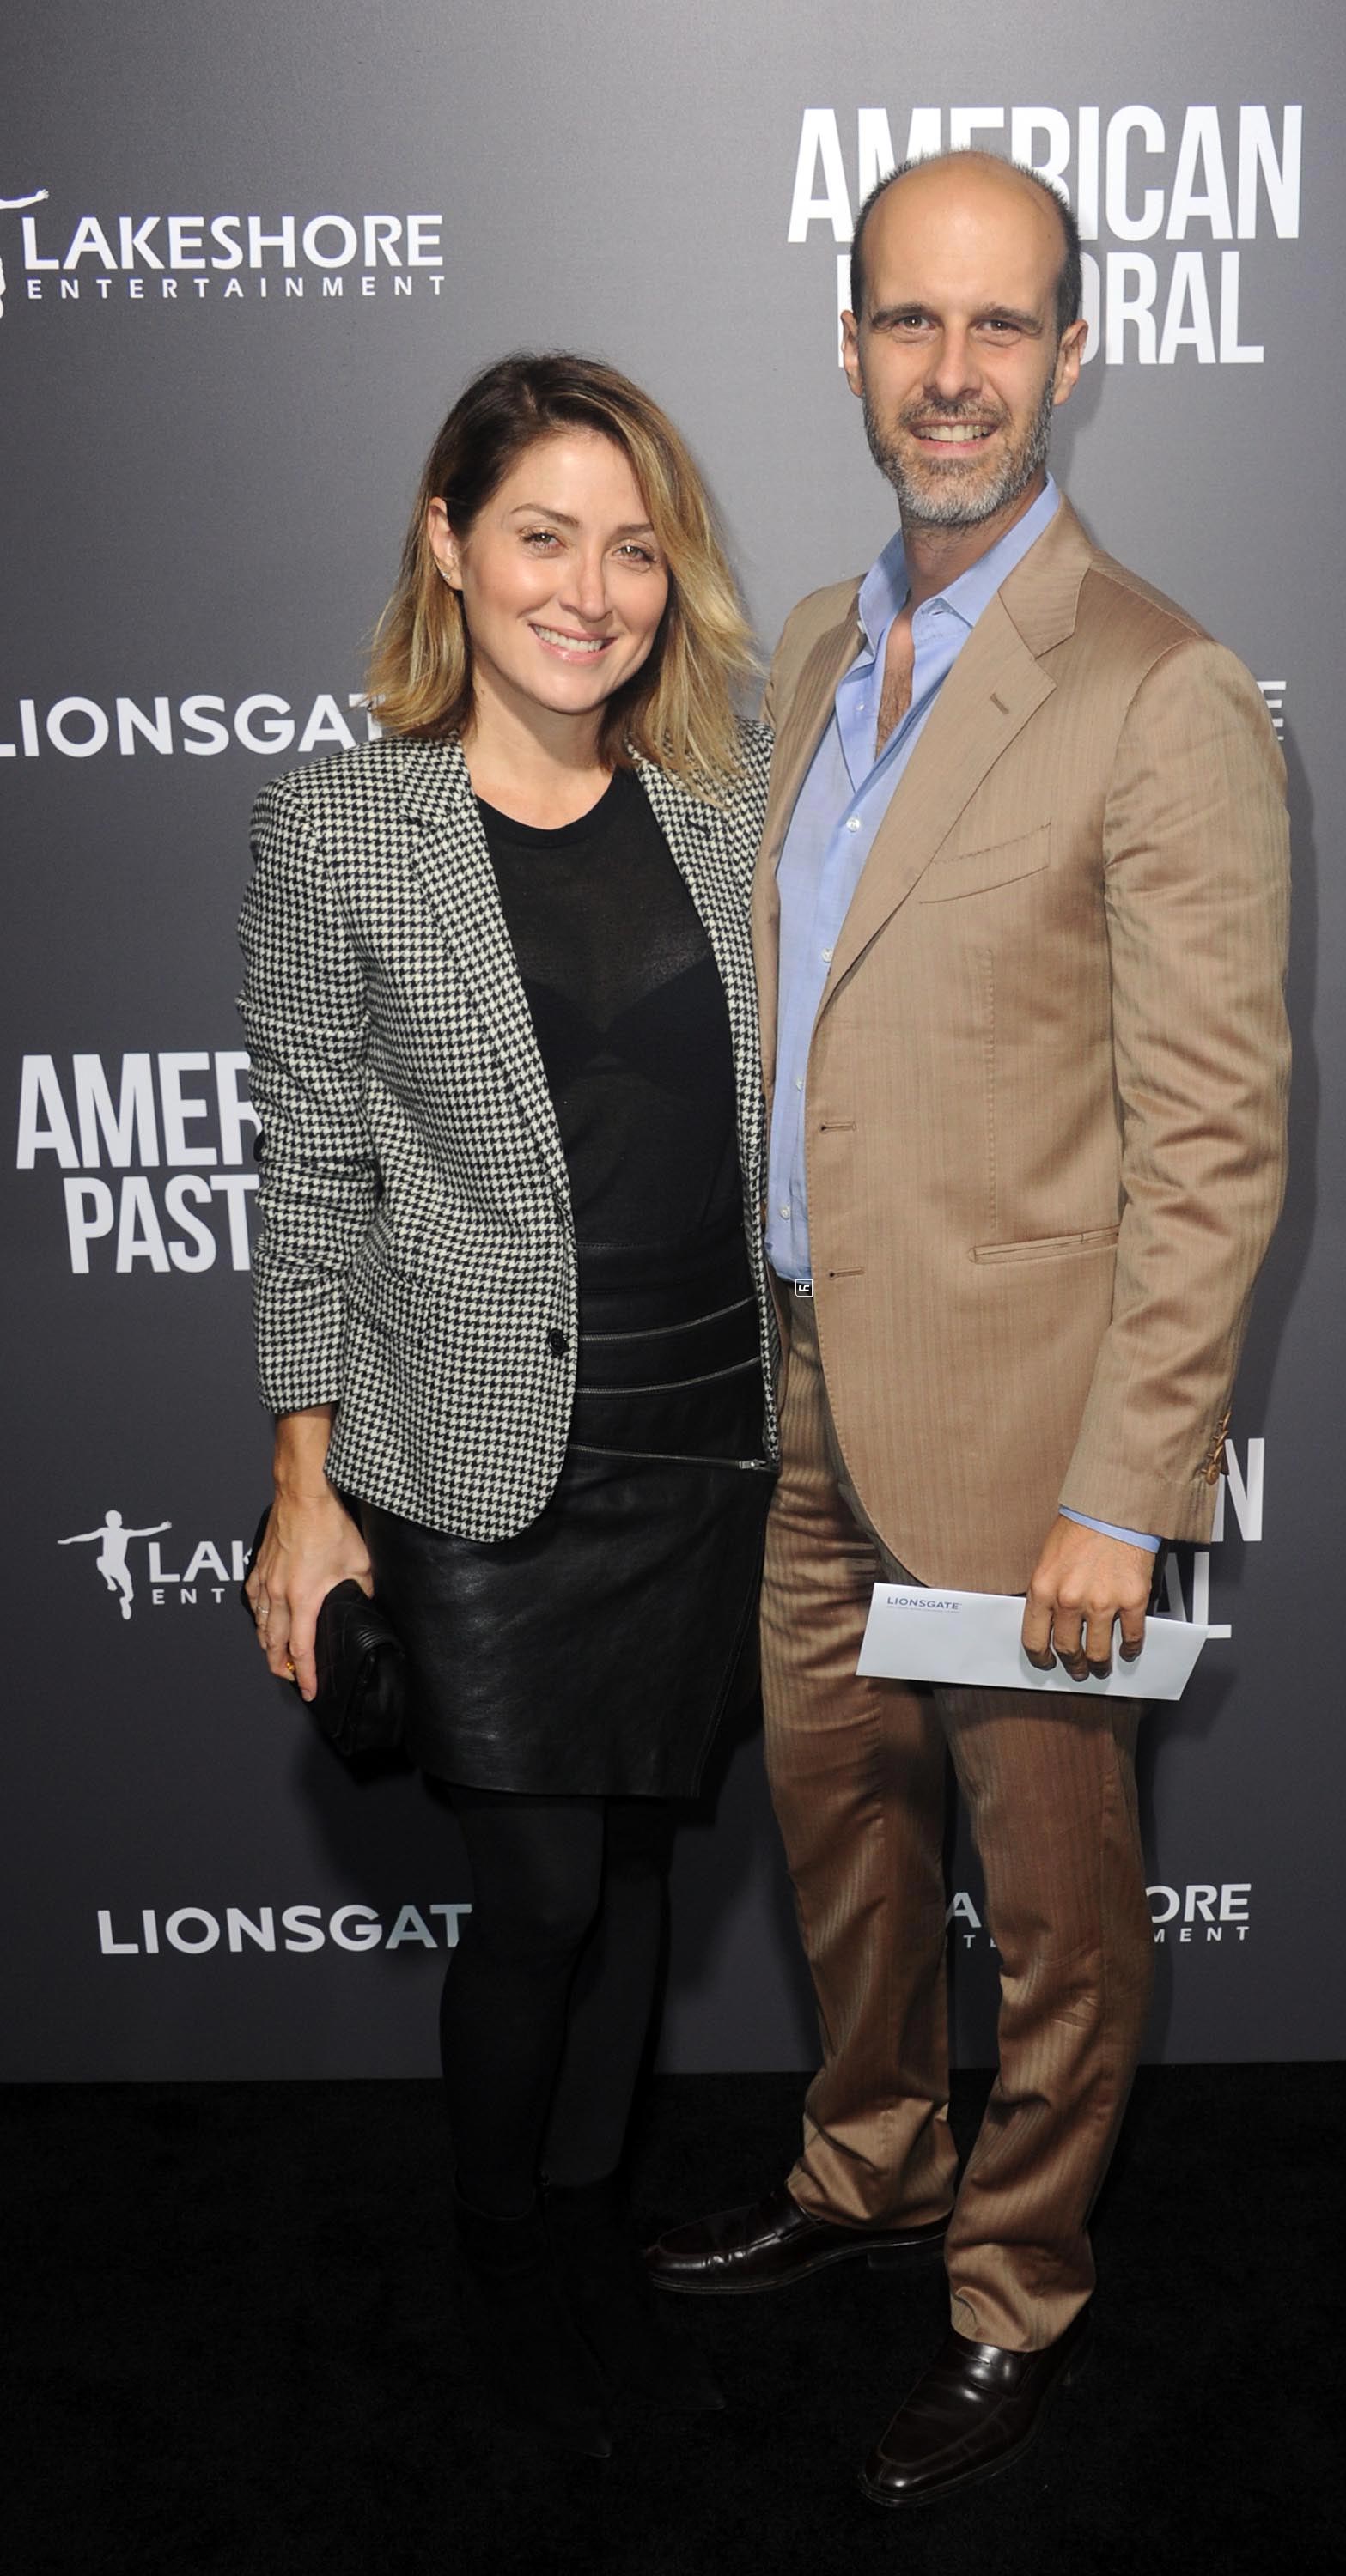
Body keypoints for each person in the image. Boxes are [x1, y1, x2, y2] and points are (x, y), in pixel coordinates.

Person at [647, 152, 1291, 2507]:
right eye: (909, 325)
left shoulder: (1159, 686)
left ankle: (1015, 2289)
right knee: (837, 1835)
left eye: (999, 328)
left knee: (1047, 1899)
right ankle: (869, 2168)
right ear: (846, 346)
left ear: (1073, 349)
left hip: (1032, 1437)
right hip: (800, 1388)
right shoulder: (815, 644)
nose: (951, 375)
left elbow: (1213, 1141)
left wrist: (1126, 1486)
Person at [239, 352, 775, 2459]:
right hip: (471, 1456)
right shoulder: (335, 824)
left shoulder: (739, 831)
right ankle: (499, 2261)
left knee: (637, 1876)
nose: (591, 588)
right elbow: (304, 1169)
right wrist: (304, 1483)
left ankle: (585, 2237)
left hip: (710, 1438)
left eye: (632, 544)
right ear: (450, 551)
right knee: (540, 1891)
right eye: (542, 535)